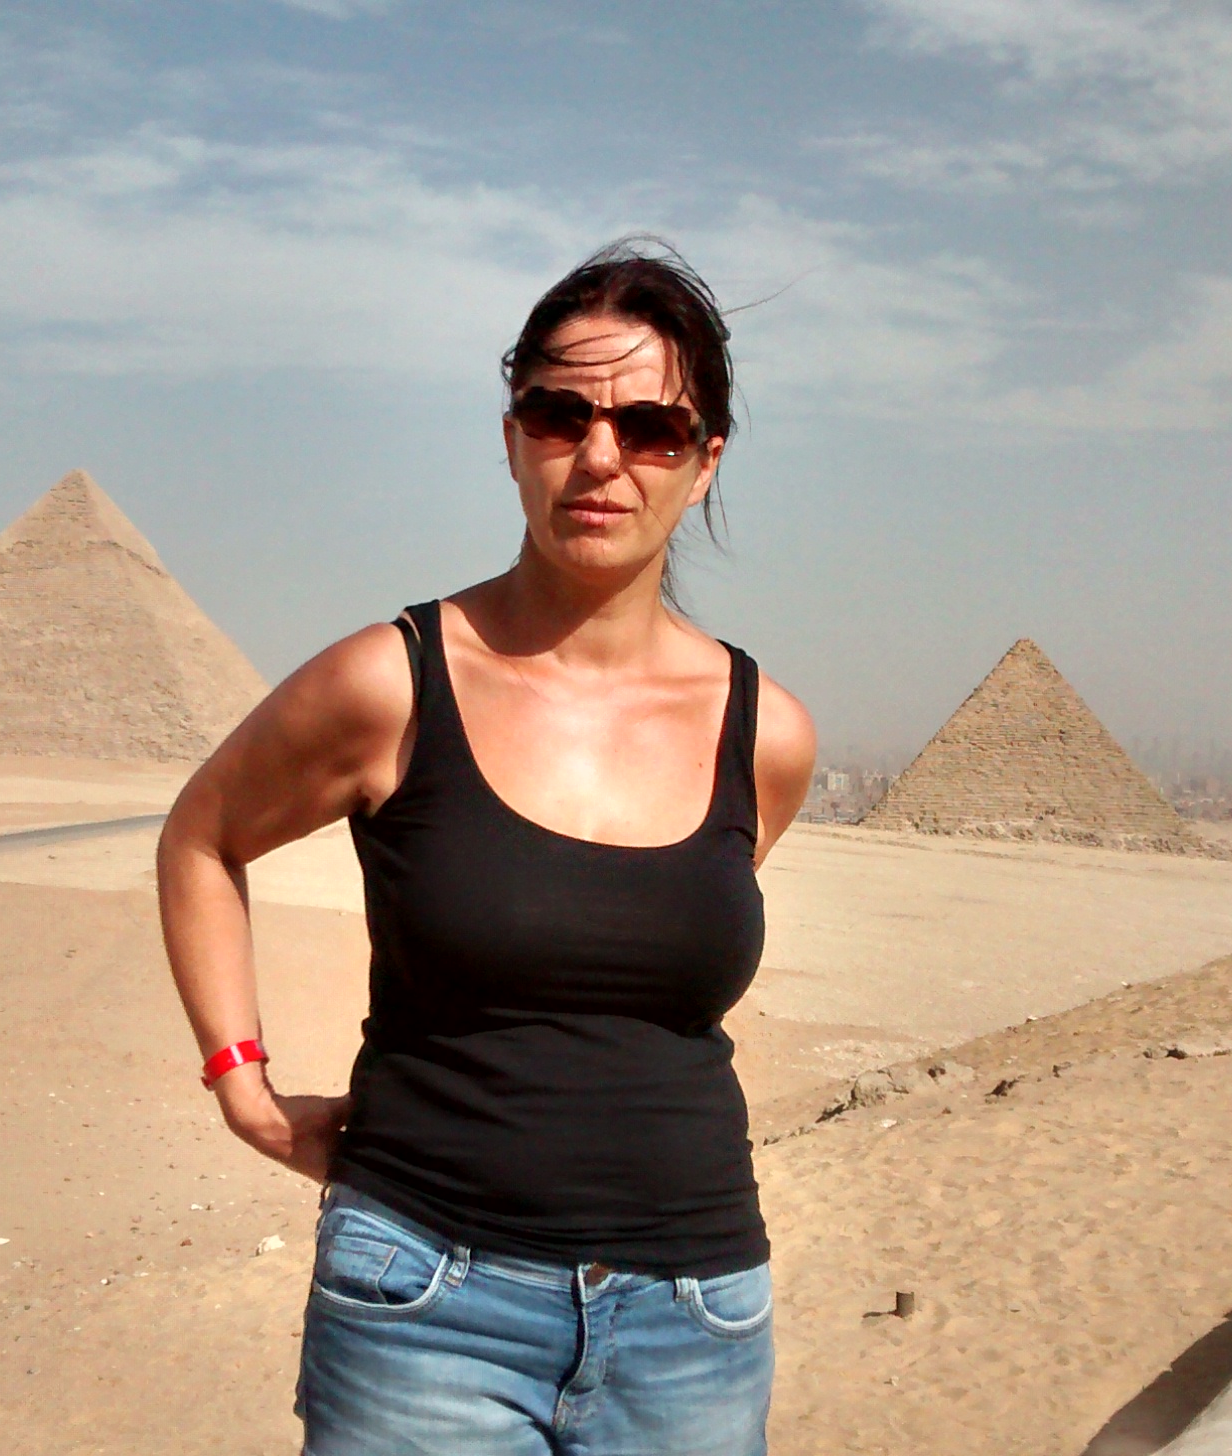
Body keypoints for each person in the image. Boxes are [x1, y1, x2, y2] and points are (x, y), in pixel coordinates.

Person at [157, 239, 815, 1456]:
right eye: (561, 414)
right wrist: (241, 1083)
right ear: (512, 436)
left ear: (705, 459)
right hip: (425, 1302)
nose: (600, 456)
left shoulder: (765, 732)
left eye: (650, 427)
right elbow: (202, 834)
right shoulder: (391, 684)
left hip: (697, 1318)